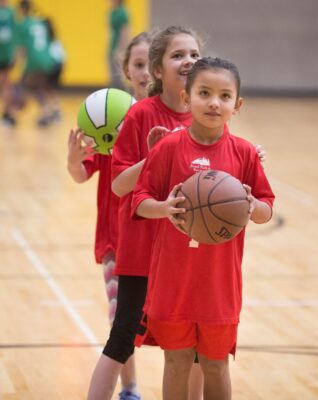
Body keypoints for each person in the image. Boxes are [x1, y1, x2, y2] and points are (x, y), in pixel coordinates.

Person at [131, 57, 275, 400]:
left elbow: (267, 208)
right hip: (173, 281)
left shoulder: (244, 153)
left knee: (215, 365)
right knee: (177, 363)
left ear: (236, 105)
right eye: (205, 93)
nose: (214, 102)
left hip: (219, 286)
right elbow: (139, 200)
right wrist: (164, 208)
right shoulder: (168, 148)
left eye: (225, 96)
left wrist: (253, 207)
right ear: (186, 98)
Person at [87, 25, 205, 400]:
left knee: (198, 348)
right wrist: (154, 155)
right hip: (142, 252)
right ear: (157, 70)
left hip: (188, 253)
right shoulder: (140, 115)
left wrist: (246, 164)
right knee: (122, 339)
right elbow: (120, 185)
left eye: (194, 55)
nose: (188, 61)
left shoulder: (207, 115)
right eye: (177, 55)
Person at [69, 31, 157, 400]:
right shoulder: (110, 117)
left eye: (152, 64)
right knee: (122, 322)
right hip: (116, 241)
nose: (145, 72)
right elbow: (80, 173)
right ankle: (130, 389)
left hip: (160, 241)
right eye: (138, 64)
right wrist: (74, 157)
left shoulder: (170, 118)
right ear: (126, 69)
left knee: (169, 322)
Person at [0, 0, 17, 126]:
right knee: (6, 83)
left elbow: (15, 33)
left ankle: (8, 113)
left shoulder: (11, 11)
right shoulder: (11, 11)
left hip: (4, 54)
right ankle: (8, 113)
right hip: (6, 54)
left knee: (6, 83)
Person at [108, 0, 130, 89]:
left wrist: (122, 49)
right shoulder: (113, 12)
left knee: (118, 76)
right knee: (113, 76)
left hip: (118, 48)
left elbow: (125, 31)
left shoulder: (122, 12)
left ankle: (125, 96)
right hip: (112, 47)